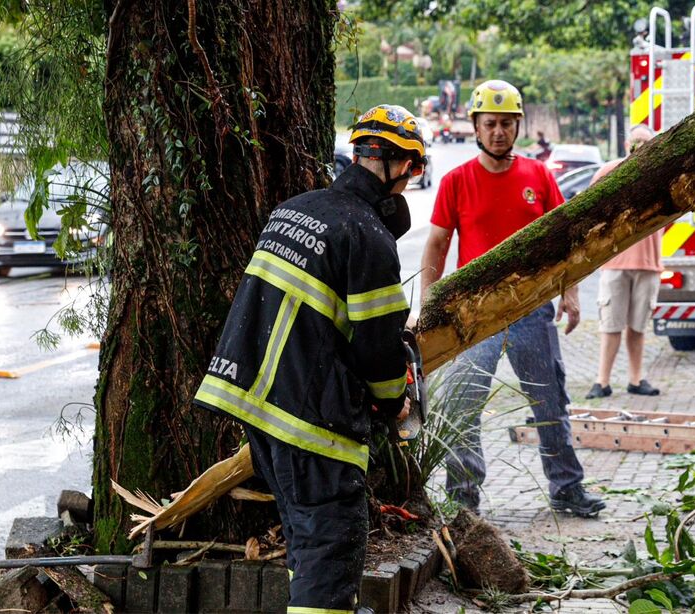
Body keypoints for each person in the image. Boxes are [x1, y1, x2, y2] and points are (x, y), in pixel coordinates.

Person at [193, 104, 425, 613]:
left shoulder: (294, 209)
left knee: (306, 539)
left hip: (257, 407)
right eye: (413, 169)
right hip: (310, 421)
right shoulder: (368, 236)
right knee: (331, 546)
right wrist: (395, 402)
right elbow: (376, 346)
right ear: (402, 165)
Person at [420, 79, 605, 518]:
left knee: (549, 400)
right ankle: (463, 500)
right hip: (474, 317)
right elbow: (436, 246)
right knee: (462, 405)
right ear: (476, 127)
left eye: (506, 123)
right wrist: (428, 305)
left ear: (518, 126)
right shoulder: (455, 181)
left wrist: (571, 293)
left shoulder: (539, 177)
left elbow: (566, 243)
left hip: (530, 311)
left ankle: (567, 488)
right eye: (490, 124)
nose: (499, 131)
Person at [586, 125, 662, 399]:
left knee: (638, 326)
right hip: (615, 263)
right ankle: (602, 381)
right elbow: (589, 208)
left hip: (648, 263)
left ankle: (636, 378)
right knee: (611, 325)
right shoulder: (609, 172)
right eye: (637, 142)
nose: (640, 147)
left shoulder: (661, 177)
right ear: (627, 143)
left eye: (647, 142)